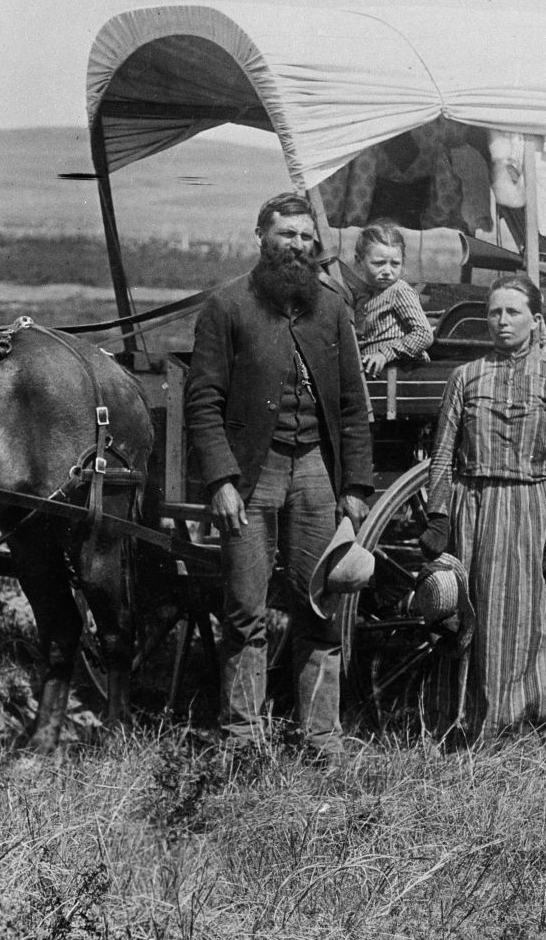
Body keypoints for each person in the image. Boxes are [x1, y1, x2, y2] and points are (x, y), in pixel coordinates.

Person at [186, 192, 375, 763]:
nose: (296, 245)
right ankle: (242, 740)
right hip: (252, 475)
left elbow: (351, 405)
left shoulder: (331, 309)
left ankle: (322, 740)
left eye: (304, 236)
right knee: (244, 611)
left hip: (316, 470)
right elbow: (203, 402)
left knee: (319, 607)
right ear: (261, 237)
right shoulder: (227, 307)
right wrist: (220, 480)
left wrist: (357, 487)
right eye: (285, 234)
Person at [418, 276, 546, 747]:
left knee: (539, 619)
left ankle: (541, 726)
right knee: (485, 621)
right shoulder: (466, 377)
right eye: (494, 313)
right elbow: (443, 454)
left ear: (536, 322)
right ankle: (479, 726)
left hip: (534, 511)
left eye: (512, 313)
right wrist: (438, 515)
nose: (501, 321)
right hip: (478, 510)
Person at [351, 222, 435, 377]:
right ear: (359, 261)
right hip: (374, 373)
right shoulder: (362, 295)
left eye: (395, 264)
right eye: (379, 263)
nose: (387, 271)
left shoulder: (399, 290)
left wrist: (385, 353)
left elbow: (424, 334)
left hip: (402, 371)